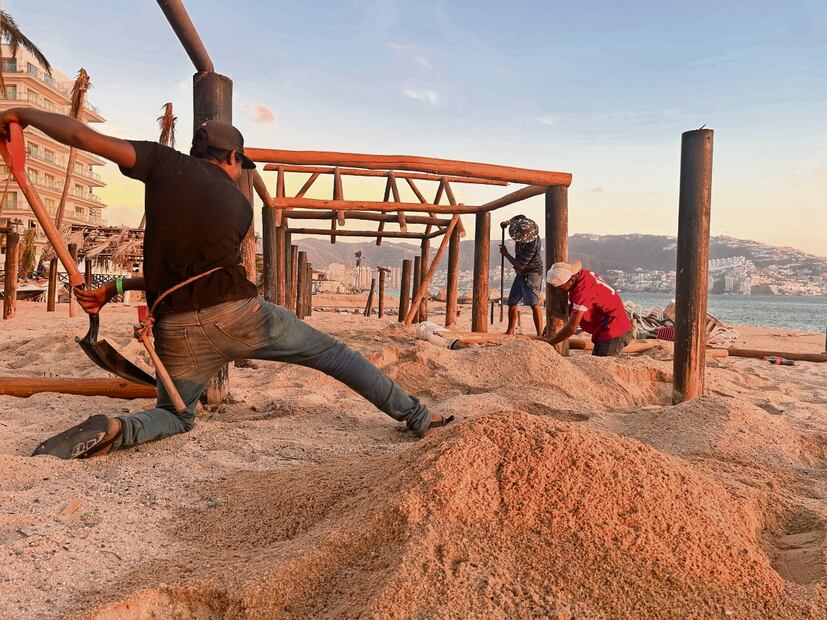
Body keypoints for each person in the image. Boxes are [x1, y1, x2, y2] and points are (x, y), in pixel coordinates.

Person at [0, 107, 453, 459]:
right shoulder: (241, 210)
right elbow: (213, 273)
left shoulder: (160, 163)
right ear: (233, 159)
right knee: (335, 355)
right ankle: (414, 415)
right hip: (242, 317)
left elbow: (85, 137)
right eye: (241, 163)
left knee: (175, 414)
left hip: (175, 332)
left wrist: (24, 116)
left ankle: (121, 429)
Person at [544, 260, 632, 356]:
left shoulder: (582, 292)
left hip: (614, 331)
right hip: (607, 328)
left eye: (561, 288)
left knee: (602, 368)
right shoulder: (584, 274)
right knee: (596, 364)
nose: (559, 291)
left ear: (571, 280)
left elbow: (571, 328)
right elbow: (574, 306)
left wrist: (549, 343)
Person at [499, 215, 544, 336]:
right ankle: (510, 330)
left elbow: (520, 265)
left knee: (534, 304)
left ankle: (539, 334)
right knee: (512, 302)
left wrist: (506, 254)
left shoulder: (532, 244)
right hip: (521, 273)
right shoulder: (524, 224)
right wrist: (508, 222)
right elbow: (520, 217)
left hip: (533, 272)